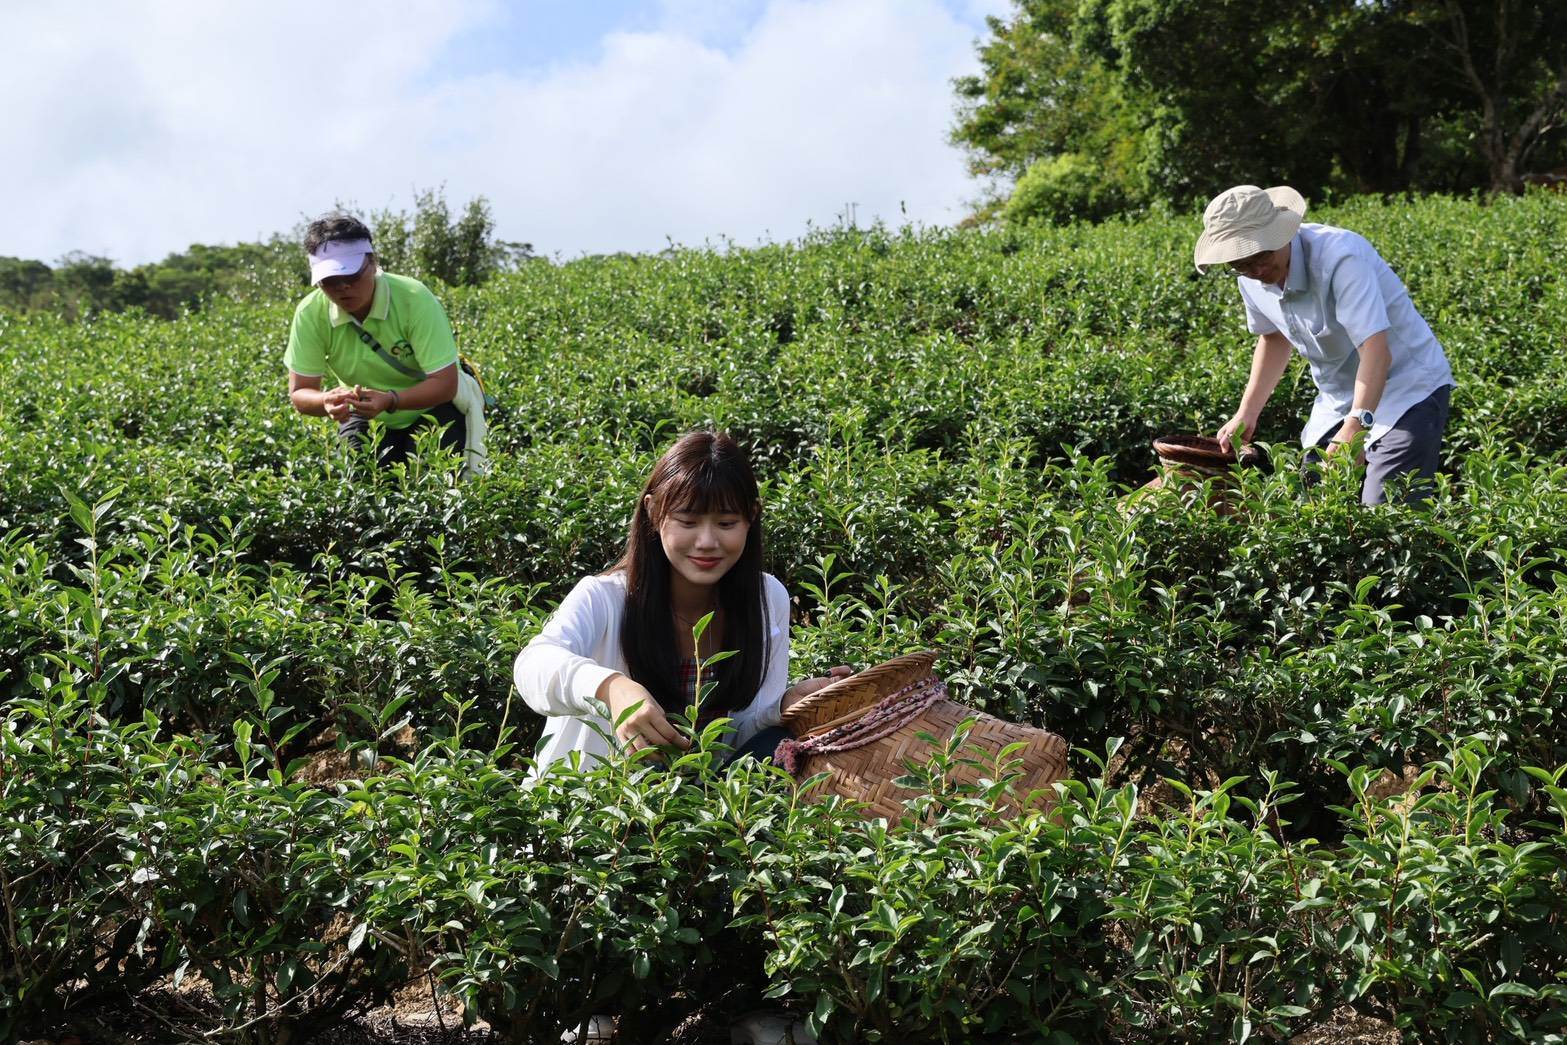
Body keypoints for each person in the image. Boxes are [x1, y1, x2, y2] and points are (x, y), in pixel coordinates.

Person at [513, 430, 850, 775]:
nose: (706, 541)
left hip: (706, 805)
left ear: (751, 518)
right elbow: (533, 666)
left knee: (779, 741)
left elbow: (741, 733)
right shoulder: (605, 597)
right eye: (687, 521)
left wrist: (784, 705)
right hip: (601, 806)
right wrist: (611, 688)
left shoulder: (767, 598)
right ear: (653, 513)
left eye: (726, 523)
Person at [1195, 185, 1456, 505]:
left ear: (1281, 234)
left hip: (1407, 388)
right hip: (1339, 397)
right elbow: (1273, 338)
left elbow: (1376, 351)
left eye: (1261, 256)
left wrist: (1355, 430)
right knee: (1311, 507)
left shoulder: (1341, 257)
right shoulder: (1250, 279)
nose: (1256, 271)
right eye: (1241, 264)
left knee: (1386, 512)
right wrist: (1246, 413)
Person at [283, 214, 487, 473]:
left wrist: (390, 400)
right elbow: (300, 392)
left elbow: (445, 385)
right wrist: (325, 400)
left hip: (433, 408)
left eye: (353, 276)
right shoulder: (311, 313)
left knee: (435, 489)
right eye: (330, 281)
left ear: (373, 263)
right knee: (363, 489)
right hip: (365, 413)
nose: (343, 288)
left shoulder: (414, 299)